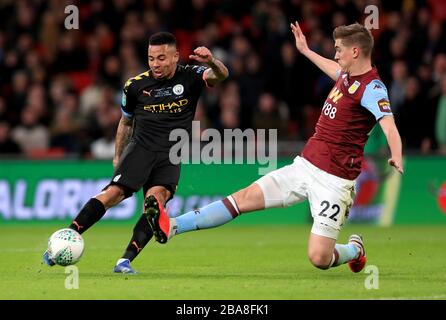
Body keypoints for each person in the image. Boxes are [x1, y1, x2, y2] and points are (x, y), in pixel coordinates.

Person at [145, 22, 404, 272]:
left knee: (319, 257)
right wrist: (305, 51)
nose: (335, 55)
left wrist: (396, 155)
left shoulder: (373, 88)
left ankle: (355, 250)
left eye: (338, 50)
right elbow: (333, 70)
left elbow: (389, 125)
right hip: (304, 166)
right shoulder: (347, 76)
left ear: (355, 51)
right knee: (243, 198)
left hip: (335, 181)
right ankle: (172, 226)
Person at [43, 32, 229, 273]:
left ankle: (124, 261)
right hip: (141, 149)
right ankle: (63, 240)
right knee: (113, 194)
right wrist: (118, 154)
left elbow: (222, 75)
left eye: (161, 58)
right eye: (151, 58)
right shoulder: (135, 86)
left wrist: (212, 61)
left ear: (175, 56)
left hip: (171, 155)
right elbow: (125, 122)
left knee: (155, 204)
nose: (155, 64)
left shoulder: (191, 76)